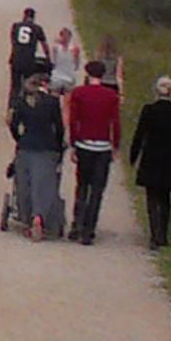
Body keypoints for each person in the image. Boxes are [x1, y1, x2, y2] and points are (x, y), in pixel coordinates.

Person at [128, 76, 171, 250]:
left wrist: (133, 156)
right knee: (165, 197)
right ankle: (163, 235)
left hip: (151, 156)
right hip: (169, 158)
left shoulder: (148, 110)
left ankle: (154, 236)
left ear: (156, 91)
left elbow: (139, 134)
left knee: (151, 197)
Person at [66, 60, 122, 244]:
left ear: (88, 74)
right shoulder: (111, 95)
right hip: (103, 146)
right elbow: (116, 123)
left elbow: (74, 121)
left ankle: (77, 224)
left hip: (84, 144)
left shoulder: (79, 93)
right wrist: (115, 145)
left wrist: (73, 143)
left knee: (82, 186)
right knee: (97, 189)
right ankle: (89, 230)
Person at [8, 71, 66, 240]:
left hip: (26, 146)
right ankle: (40, 216)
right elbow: (59, 127)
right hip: (47, 147)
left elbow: (13, 125)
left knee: (25, 182)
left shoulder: (20, 103)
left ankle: (27, 216)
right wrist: (59, 146)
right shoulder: (52, 103)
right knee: (45, 183)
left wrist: (19, 139)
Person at [8, 7, 50, 100]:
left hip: (16, 59)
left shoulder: (16, 26)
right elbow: (44, 45)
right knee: (29, 83)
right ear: (33, 17)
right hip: (29, 60)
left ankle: (12, 107)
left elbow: (13, 41)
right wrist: (48, 57)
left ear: (24, 16)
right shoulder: (37, 28)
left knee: (15, 85)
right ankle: (26, 104)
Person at [49, 25, 82, 94]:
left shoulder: (56, 47)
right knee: (67, 100)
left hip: (57, 77)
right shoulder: (74, 49)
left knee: (54, 97)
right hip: (68, 78)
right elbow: (76, 66)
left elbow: (53, 61)